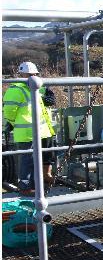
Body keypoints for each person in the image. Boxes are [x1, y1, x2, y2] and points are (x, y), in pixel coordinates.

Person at [3, 62, 56, 195]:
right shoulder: (15, 89)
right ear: (22, 74)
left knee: (42, 157)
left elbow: (47, 101)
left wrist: (49, 96)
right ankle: (26, 187)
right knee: (28, 160)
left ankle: (40, 181)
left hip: (42, 131)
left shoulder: (39, 86)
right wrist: (14, 123)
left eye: (34, 74)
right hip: (26, 132)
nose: (33, 76)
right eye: (30, 74)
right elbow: (9, 112)